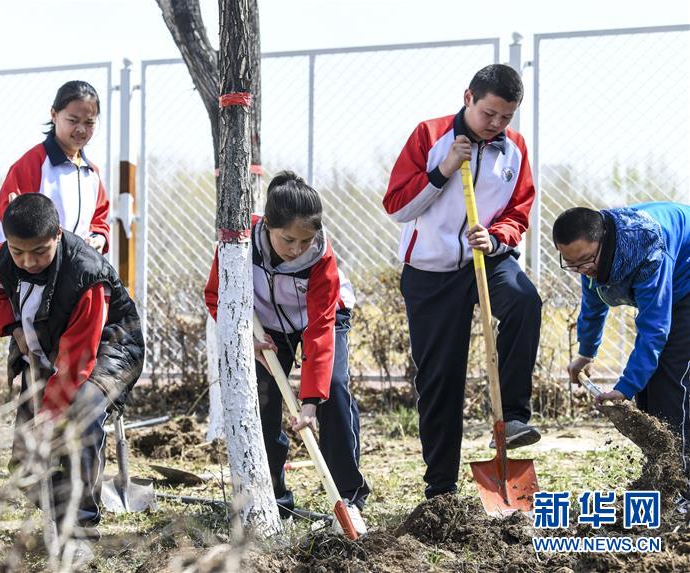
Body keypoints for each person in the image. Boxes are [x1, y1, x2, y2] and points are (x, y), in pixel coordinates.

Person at [383, 64, 542, 499]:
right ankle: (441, 489)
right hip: (431, 271)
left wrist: (496, 237)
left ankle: (513, 417)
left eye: (506, 117)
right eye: (489, 113)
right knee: (440, 379)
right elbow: (397, 207)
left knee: (524, 300)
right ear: (468, 97)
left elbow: (519, 211)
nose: (496, 124)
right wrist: (444, 169)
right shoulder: (429, 135)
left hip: (485, 257)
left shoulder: (515, 148)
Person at [204, 171, 369, 535]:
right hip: (265, 328)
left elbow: (320, 330)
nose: (296, 249)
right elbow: (217, 295)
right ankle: (274, 499)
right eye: (288, 239)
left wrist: (309, 402)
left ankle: (349, 498)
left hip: (323, 319)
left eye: (305, 240)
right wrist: (244, 335)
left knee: (333, 390)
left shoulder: (320, 259)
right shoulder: (239, 243)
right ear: (268, 226)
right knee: (260, 398)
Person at [0, 193, 144, 534]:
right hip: (44, 343)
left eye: (40, 252)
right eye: (18, 251)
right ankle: (64, 505)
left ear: (57, 235)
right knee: (23, 464)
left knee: (81, 416)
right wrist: (13, 328)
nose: (28, 261)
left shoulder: (86, 275)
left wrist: (49, 417)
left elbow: (77, 359)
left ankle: (81, 526)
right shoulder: (2, 259)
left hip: (108, 346)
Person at [554, 202, 690, 484]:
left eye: (586, 260)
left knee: (670, 381)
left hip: (685, 281)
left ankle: (680, 484)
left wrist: (624, 388)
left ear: (603, 239)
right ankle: (660, 475)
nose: (582, 269)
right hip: (670, 279)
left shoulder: (647, 247)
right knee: (648, 393)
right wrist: (586, 354)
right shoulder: (588, 260)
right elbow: (593, 304)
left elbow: (654, 330)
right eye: (572, 264)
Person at [0, 80, 110, 254]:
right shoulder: (32, 164)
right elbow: (10, 219)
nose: (81, 129)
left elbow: (99, 220)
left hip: (75, 266)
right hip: (31, 265)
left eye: (89, 123)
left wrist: (99, 238)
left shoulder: (92, 173)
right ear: (54, 115)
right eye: (73, 120)